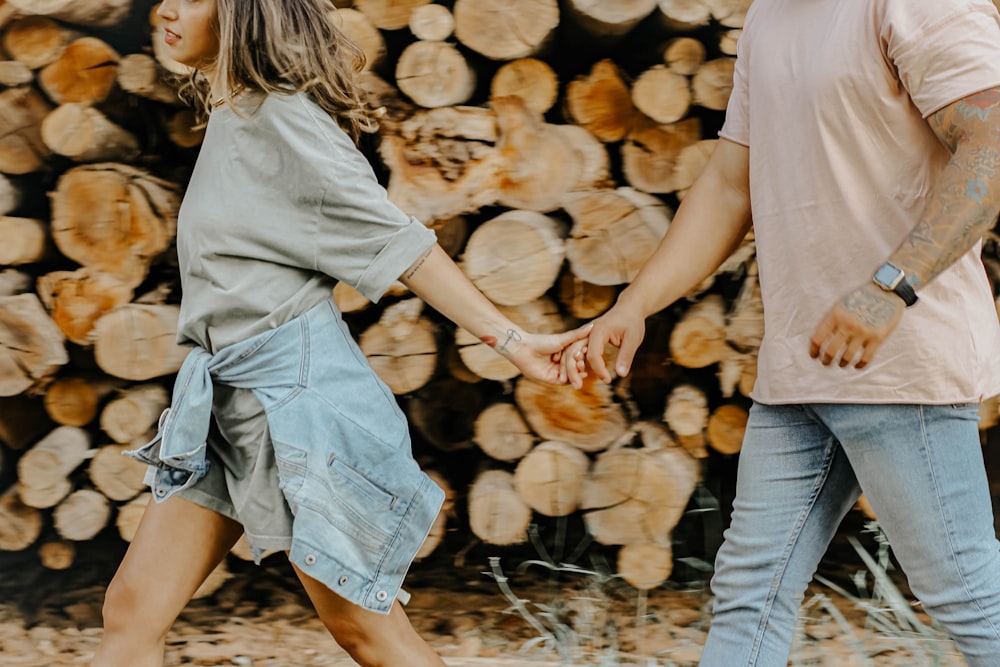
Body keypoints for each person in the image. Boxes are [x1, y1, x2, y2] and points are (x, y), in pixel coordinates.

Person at [92, 1, 590, 666]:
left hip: (299, 405)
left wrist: (511, 341)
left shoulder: (280, 117)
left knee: (367, 633)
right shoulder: (238, 114)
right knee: (131, 611)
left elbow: (398, 240)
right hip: (226, 402)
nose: (165, 7)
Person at [564, 1, 1000, 665]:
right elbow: (730, 183)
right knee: (749, 592)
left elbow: (992, 139)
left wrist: (892, 284)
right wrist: (635, 303)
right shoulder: (772, 14)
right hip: (801, 364)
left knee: (970, 598)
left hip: (900, 364)